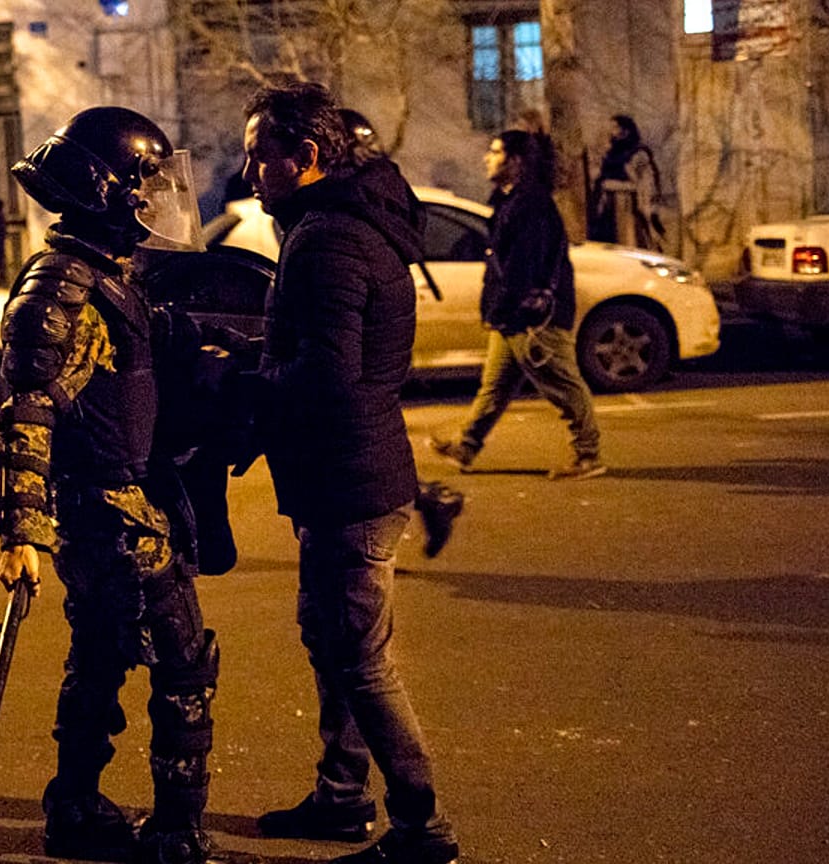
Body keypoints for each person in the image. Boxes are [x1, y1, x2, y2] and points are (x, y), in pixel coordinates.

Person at [0, 106, 226, 864]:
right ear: (103, 189)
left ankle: (77, 808)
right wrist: (20, 529)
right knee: (182, 663)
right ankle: (176, 833)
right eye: (141, 186)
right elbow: (27, 408)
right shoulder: (61, 288)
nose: (153, 202)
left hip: (113, 510)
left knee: (98, 656)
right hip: (111, 515)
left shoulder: (102, 277)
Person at [241, 82, 461, 864]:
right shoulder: (339, 224)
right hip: (350, 475)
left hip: (349, 483)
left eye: (261, 154)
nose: (249, 169)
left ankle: (421, 826)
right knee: (332, 641)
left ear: (304, 159)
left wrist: (239, 380)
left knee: (361, 660)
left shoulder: (327, 238)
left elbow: (329, 375)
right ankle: (340, 796)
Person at [429, 130, 605, 480]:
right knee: (494, 387)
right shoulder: (509, 200)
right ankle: (466, 446)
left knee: (564, 385)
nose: (487, 158)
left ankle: (589, 456)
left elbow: (522, 266)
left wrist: (507, 306)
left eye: (495, 152)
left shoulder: (532, 205)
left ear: (516, 162)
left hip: (532, 317)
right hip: (510, 315)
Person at [338, 106, 466, 558]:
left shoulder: (348, 215)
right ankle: (430, 498)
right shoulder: (380, 192)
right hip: (382, 333)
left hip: (368, 337)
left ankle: (429, 497)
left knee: (364, 435)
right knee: (374, 431)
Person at [587, 114, 663, 250]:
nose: (612, 132)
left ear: (626, 131)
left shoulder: (639, 154)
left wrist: (616, 186)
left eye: (615, 127)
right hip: (608, 207)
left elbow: (645, 185)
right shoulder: (610, 153)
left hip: (627, 207)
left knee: (629, 243)